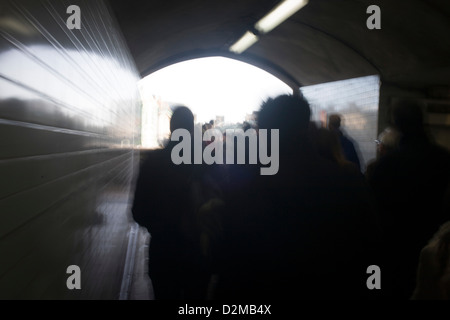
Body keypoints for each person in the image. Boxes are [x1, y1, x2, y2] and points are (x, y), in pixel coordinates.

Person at [215, 95, 382, 300]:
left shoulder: (248, 189)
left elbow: (232, 264)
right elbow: (372, 246)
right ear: (306, 127)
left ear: (265, 133)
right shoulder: (347, 181)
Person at [368, 99, 450, 299]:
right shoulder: (444, 160)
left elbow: (373, 214)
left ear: (396, 124)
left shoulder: (385, 166)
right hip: (436, 248)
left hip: (394, 251)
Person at [132, 106, 210, 299]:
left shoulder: (153, 164)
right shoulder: (205, 163)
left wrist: (161, 226)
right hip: (197, 256)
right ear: (191, 130)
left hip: (163, 254)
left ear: (171, 128)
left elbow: (138, 212)